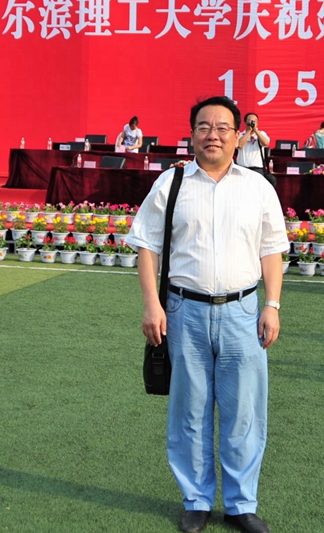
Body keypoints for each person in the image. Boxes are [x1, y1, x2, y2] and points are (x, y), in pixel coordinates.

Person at [127, 96, 288, 533]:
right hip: (185, 311)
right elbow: (147, 245)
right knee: (190, 411)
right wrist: (152, 303)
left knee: (244, 412)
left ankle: (241, 504)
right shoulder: (171, 183)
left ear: (238, 136)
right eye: (203, 127)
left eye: (222, 127)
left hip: (243, 312)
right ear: (192, 134)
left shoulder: (257, 187)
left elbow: (272, 250)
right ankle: (196, 499)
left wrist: (272, 305)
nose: (212, 135)